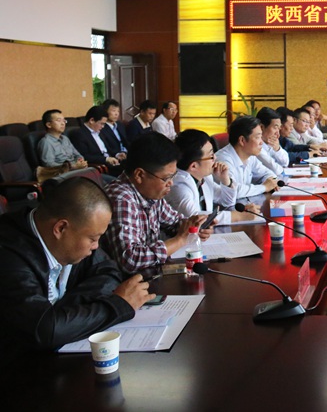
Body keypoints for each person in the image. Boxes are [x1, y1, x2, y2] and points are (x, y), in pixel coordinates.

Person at [0, 177, 154, 357]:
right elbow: (45, 330)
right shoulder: (9, 256)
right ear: (60, 228)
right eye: (93, 239)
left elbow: (108, 270)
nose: (96, 246)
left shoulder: (72, 237)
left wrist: (64, 316)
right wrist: (117, 306)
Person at [102, 132, 208, 274]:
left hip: (151, 273)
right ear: (140, 175)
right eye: (166, 178)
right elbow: (130, 259)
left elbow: (174, 222)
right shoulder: (121, 198)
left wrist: (194, 227)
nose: (171, 183)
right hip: (129, 282)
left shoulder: (149, 192)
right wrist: (179, 240)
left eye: (173, 176)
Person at [168, 129, 258, 223]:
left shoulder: (204, 177)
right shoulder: (178, 185)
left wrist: (225, 180)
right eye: (211, 156)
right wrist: (239, 216)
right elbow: (195, 217)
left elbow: (227, 202)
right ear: (194, 166)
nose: (215, 158)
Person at [215, 116, 280, 199]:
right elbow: (233, 190)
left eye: (261, 137)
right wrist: (264, 187)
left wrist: (271, 181)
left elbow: (268, 173)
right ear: (242, 140)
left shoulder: (249, 156)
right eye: (257, 137)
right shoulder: (223, 160)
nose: (261, 142)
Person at [71, 105, 123, 171]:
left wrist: (117, 154)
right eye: (101, 123)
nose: (103, 126)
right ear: (92, 120)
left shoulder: (99, 131)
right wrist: (106, 159)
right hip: (100, 166)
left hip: (111, 162)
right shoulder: (79, 134)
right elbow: (84, 156)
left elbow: (107, 149)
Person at [255, 107, 289, 174]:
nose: (277, 133)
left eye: (279, 129)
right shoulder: (255, 145)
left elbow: (285, 162)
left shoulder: (271, 142)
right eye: (275, 127)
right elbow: (276, 170)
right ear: (261, 127)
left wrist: (277, 149)